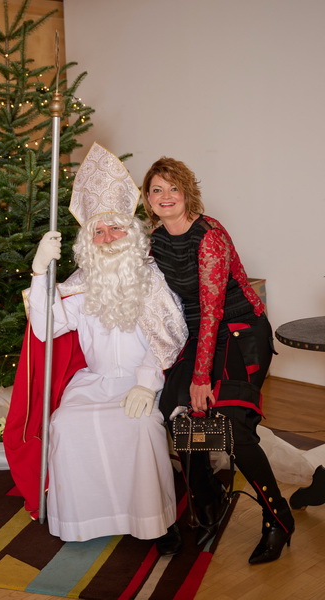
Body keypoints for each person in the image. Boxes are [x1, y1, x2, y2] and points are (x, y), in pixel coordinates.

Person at [4, 143, 188, 555]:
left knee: (141, 427)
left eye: (115, 229)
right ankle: (86, 519)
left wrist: (146, 383)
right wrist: (39, 271)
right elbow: (46, 327)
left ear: (131, 231)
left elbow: (169, 335)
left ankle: (156, 523)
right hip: (94, 381)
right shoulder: (80, 282)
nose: (107, 238)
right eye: (98, 232)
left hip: (142, 380)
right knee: (67, 425)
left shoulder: (151, 279)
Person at [141, 156, 295, 565]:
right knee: (173, 410)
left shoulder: (208, 235)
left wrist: (201, 377)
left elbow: (213, 310)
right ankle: (207, 498)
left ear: (187, 192)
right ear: (148, 198)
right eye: (157, 189)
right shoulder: (155, 239)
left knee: (230, 422)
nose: (166, 196)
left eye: (173, 188)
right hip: (200, 335)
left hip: (240, 330)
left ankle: (277, 517)